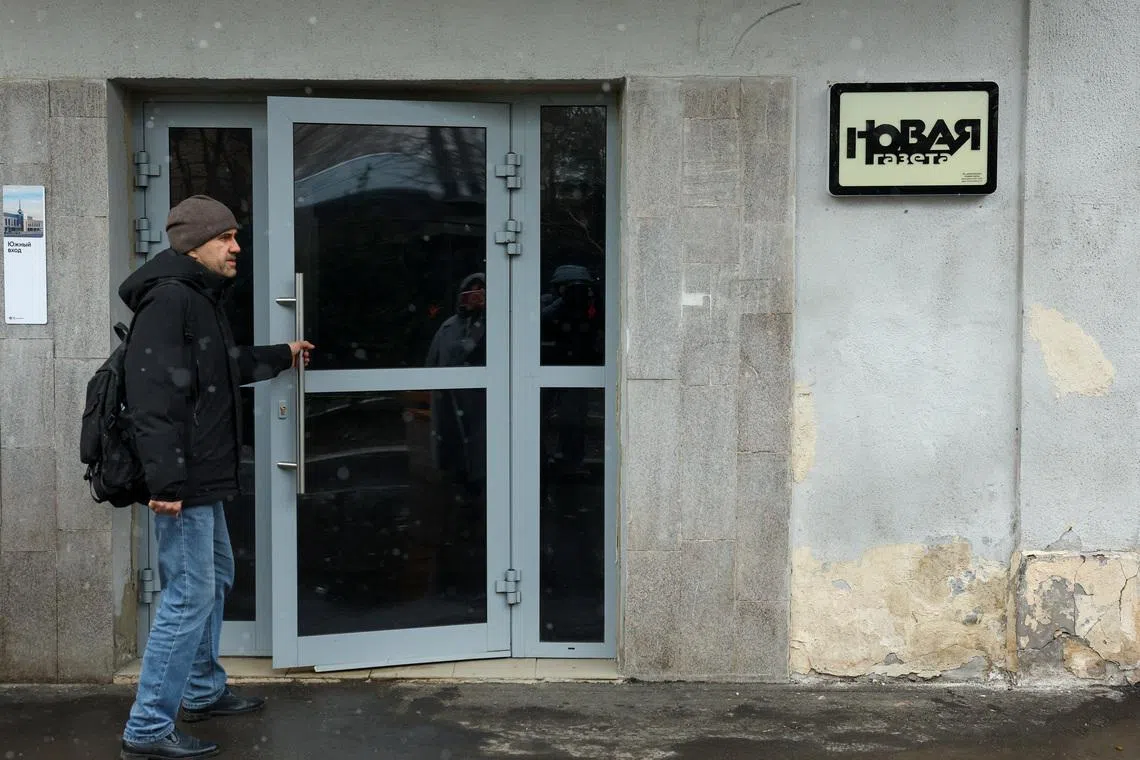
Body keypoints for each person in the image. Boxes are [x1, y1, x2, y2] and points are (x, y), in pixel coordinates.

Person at [118, 195, 313, 760]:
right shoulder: (170, 299)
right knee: (188, 594)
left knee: (216, 575)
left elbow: (219, 368)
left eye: (235, 236)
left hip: (201, 474)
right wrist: (165, 483)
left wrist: (281, 354)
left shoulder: (196, 296)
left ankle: (202, 689)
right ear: (193, 244)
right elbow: (151, 396)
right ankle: (147, 727)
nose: (236, 247)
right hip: (184, 481)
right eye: (225, 238)